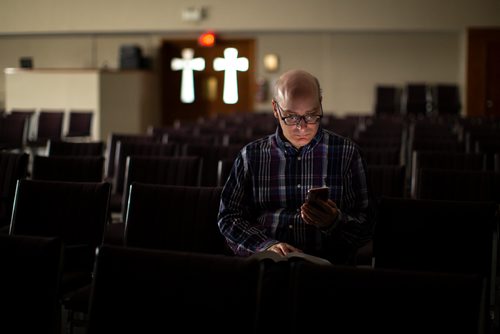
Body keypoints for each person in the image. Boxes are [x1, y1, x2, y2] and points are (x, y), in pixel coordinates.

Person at [217, 69, 373, 264]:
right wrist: (266, 245)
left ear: (320, 104)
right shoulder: (251, 156)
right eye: (291, 117)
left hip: (328, 266)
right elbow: (229, 217)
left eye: (311, 115)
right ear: (275, 109)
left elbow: (368, 225)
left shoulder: (347, 154)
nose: (302, 127)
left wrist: (335, 222)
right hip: (267, 264)